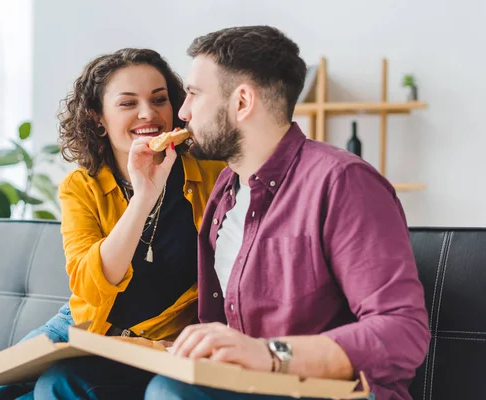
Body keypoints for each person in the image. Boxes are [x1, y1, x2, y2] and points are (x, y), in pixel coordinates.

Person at [143, 26, 431, 400]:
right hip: (247, 387)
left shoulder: (342, 182)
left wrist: (269, 354)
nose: (182, 112)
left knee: (170, 392)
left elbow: (402, 330)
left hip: (330, 393)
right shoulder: (225, 190)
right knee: (70, 382)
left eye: (194, 95)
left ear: (242, 102)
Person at [0, 48, 225, 400]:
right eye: (127, 103)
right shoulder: (81, 187)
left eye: (159, 99)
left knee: (52, 388)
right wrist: (144, 197)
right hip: (80, 326)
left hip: (152, 343)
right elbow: (89, 284)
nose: (148, 113)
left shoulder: (214, 177)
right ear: (98, 117)